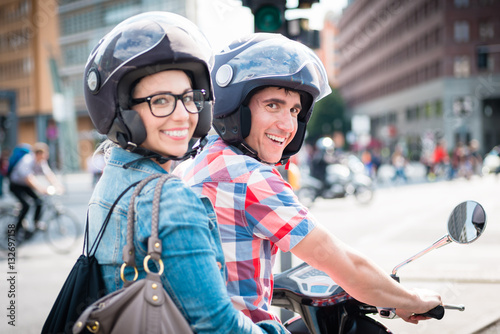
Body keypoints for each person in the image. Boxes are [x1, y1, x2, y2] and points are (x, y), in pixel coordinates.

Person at [174, 33, 442, 325]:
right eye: (273, 106)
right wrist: (410, 299)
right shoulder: (248, 177)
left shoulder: (201, 160)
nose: (288, 124)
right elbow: (346, 265)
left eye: (294, 110)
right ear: (234, 107)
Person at [83, 12, 286, 334]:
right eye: (160, 101)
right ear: (123, 111)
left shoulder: (114, 177)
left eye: (190, 98)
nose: (182, 115)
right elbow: (219, 326)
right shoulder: (169, 200)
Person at [8, 142, 64, 239]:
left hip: (24, 185)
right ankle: (15, 230)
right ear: (38, 154)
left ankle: (36, 223)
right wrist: (41, 189)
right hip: (16, 185)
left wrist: (58, 186)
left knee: (40, 201)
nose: (46, 157)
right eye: (45, 154)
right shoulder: (27, 160)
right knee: (27, 205)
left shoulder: (41, 162)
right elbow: (28, 178)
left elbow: (49, 174)